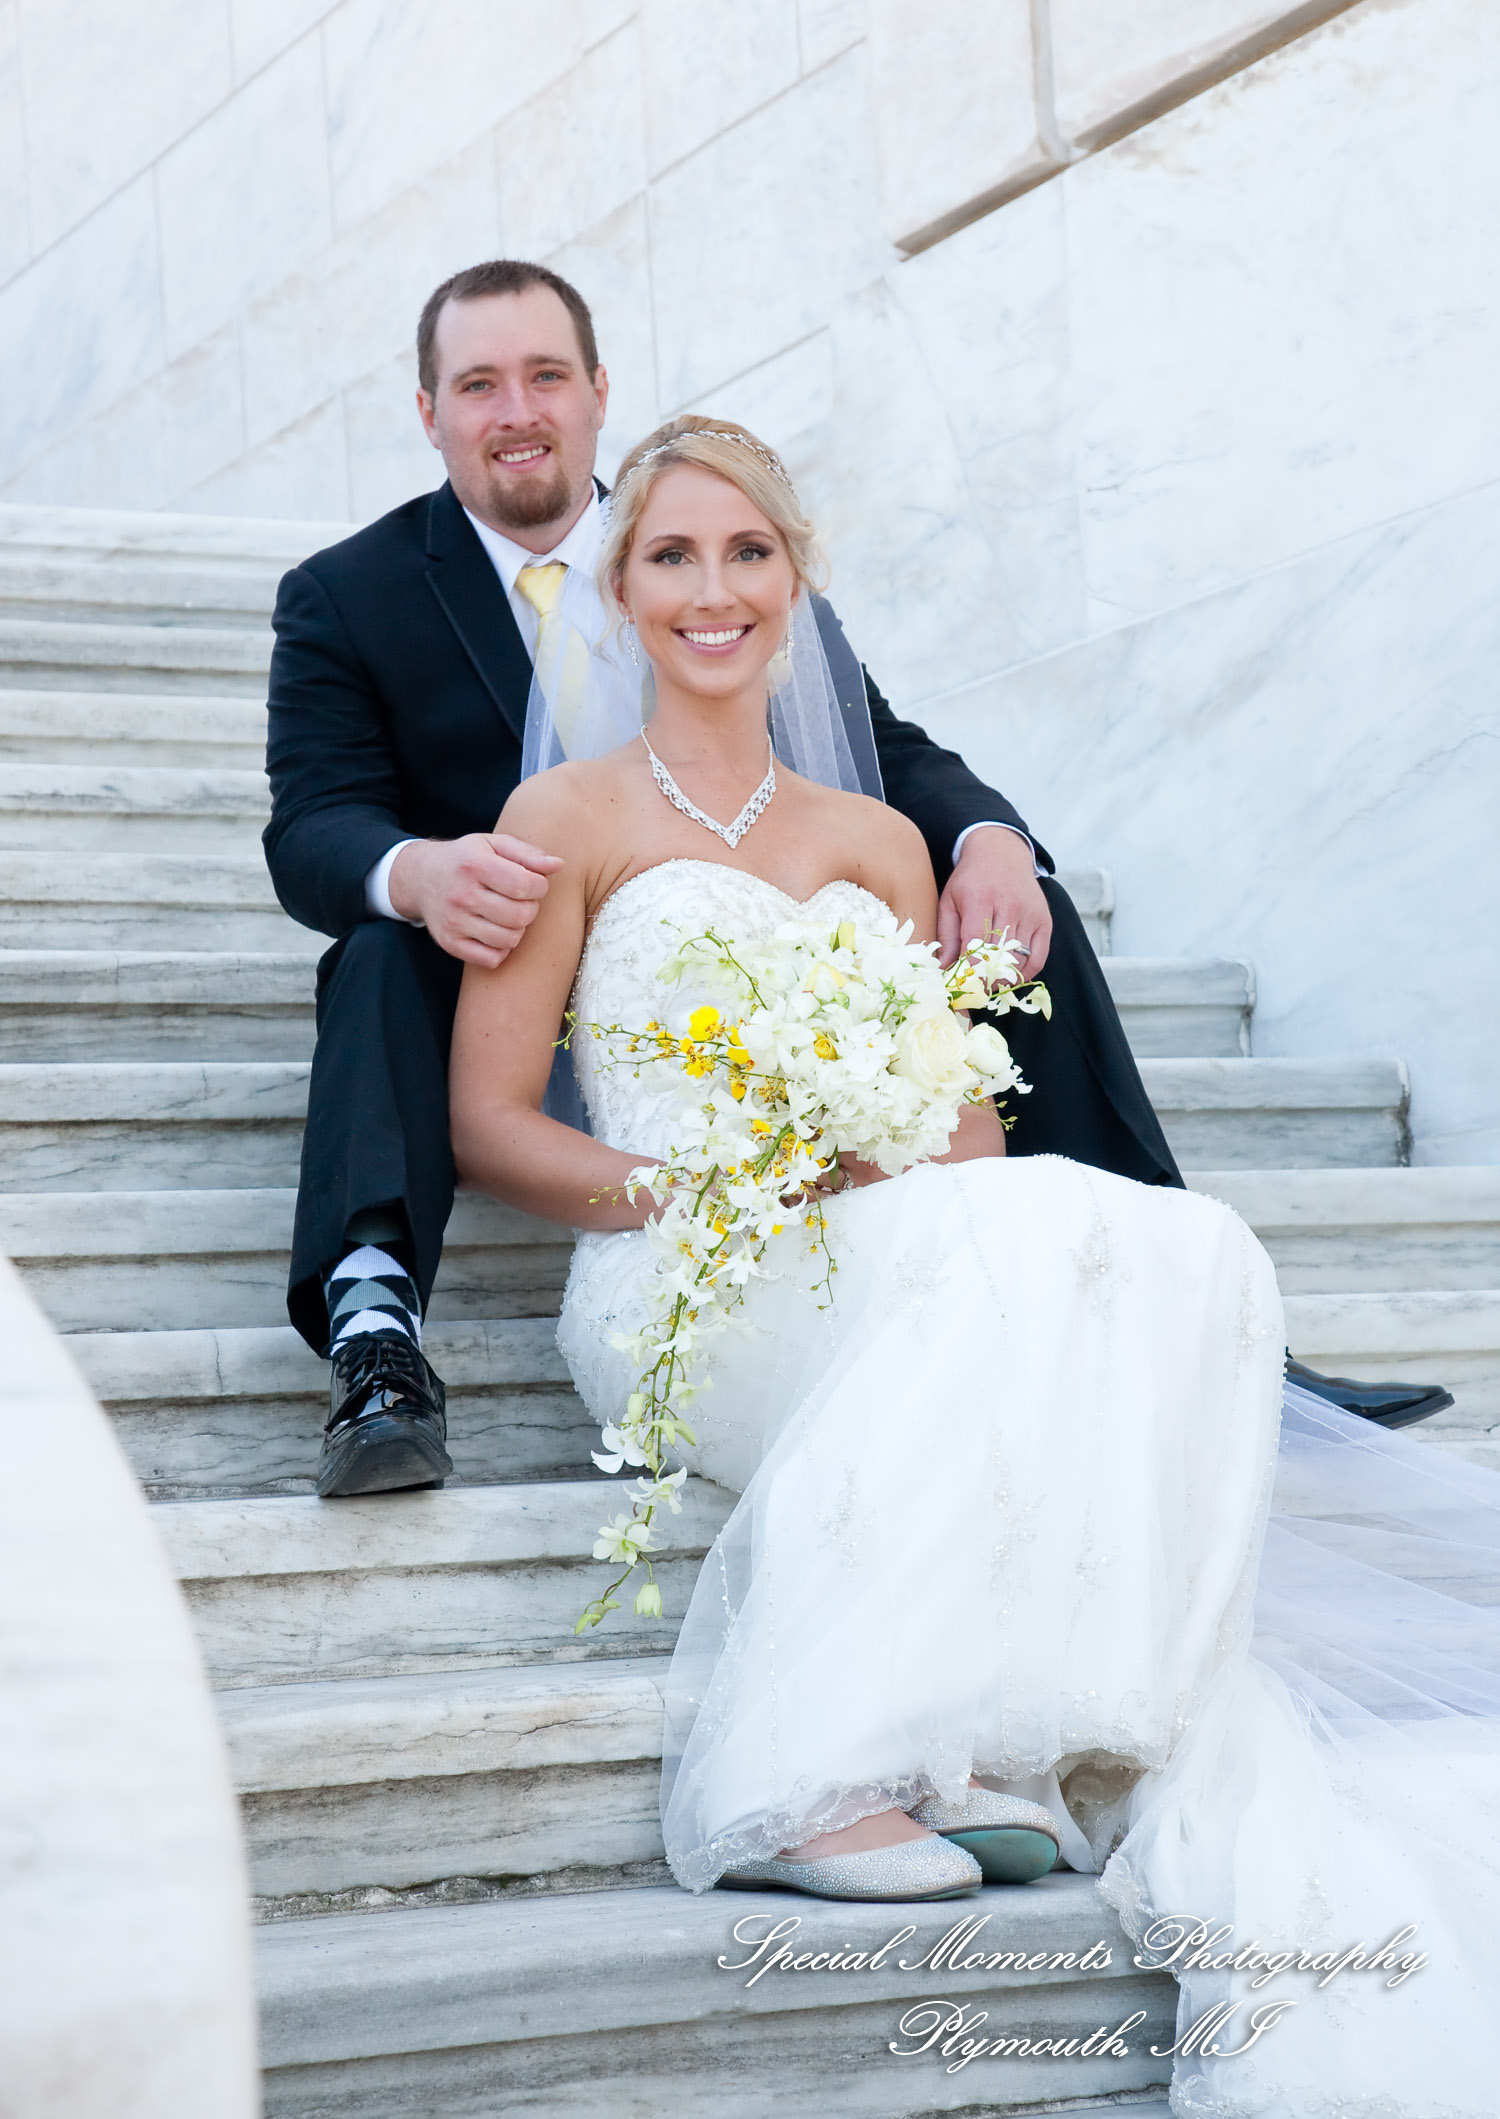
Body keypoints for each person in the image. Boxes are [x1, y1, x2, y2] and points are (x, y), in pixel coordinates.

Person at [447, 419, 1500, 2114]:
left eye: (748, 553)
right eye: (671, 556)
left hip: (863, 1246)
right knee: (1000, 1259)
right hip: (677, 1271)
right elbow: (494, 1122)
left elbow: (964, 1152)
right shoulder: (559, 815)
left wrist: (874, 1134)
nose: (712, 590)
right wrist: (708, 1190)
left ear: (796, 581)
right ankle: (817, 1780)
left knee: (1171, 1239)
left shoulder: (875, 838)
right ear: (623, 591)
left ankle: (1007, 1716)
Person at [263, 258, 1450, 1500]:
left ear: (599, 389)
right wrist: (420, 870)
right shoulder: (350, 596)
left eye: (546, 374)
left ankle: (1160, 1300)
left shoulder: (719, 541)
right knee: (377, 947)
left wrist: (992, 840)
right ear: (429, 410)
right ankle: (376, 1332)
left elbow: (880, 752)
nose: (517, 409)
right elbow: (314, 827)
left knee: (1005, 910)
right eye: (479, 384)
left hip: (758, 988)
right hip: (515, 959)